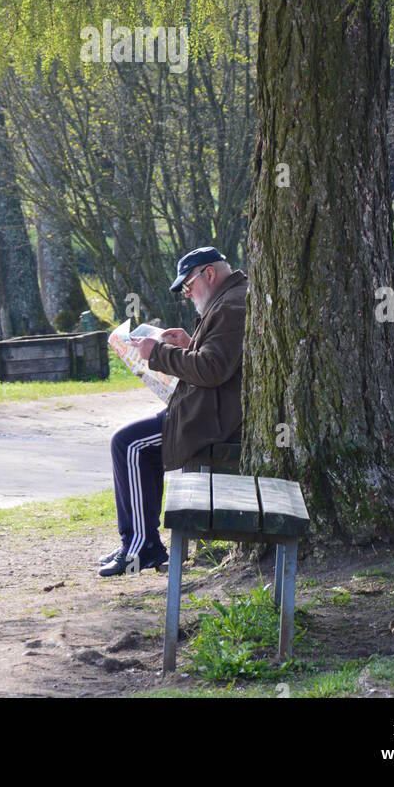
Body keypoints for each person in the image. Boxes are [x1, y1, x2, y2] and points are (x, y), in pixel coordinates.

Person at [98, 246, 248, 577]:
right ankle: (142, 541)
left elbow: (213, 369)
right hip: (210, 413)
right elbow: (222, 358)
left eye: (187, 286)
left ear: (208, 274)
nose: (186, 294)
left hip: (214, 421)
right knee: (132, 444)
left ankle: (141, 546)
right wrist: (189, 343)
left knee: (128, 444)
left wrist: (160, 353)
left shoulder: (232, 305)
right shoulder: (230, 299)